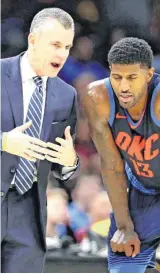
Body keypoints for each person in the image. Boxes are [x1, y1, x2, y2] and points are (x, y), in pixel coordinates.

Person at [80, 37, 160, 273]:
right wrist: (124, 225)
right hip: (140, 195)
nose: (123, 86)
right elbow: (112, 165)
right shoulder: (98, 97)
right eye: (117, 77)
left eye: (132, 78)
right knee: (123, 265)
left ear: (149, 74)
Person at [1, 8, 79, 273]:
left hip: (29, 214)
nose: (62, 54)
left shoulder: (66, 95)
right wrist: (3, 142)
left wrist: (70, 162)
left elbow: (60, 164)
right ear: (32, 40)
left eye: (67, 46)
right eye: (55, 44)